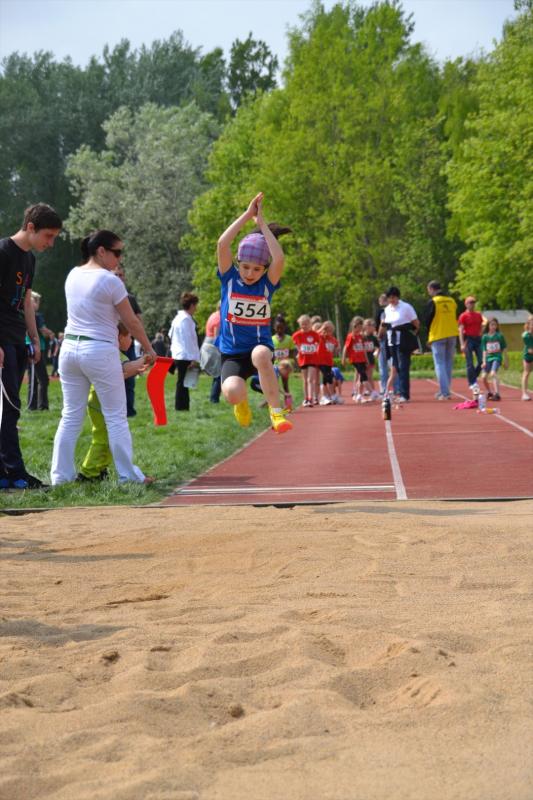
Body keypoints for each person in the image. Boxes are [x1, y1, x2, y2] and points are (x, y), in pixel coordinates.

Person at [51, 229, 156, 485]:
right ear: (101, 251)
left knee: (70, 416)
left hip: (69, 349)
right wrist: (149, 348)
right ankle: (128, 476)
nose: (119, 259)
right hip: (98, 350)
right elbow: (131, 321)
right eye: (117, 253)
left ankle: (60, 477)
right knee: (115, 417)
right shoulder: (111, 281)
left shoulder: (73, 274)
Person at [216, 192, 292, 434]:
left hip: (258, 347)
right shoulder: (229, 278)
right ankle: (241, 402)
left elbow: (279, 257)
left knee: (260, 354)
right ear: (238, 263)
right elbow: (222, 244)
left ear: (265, 269)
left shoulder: (267, 284)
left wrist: (261, 223)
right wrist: (247, 215)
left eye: (257, 269)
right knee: (232, 392)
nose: (250, 274)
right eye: (245, 267)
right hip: (232, 353)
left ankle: (276, 413)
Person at [0, 203, 62, 490]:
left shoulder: (29, 260)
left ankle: (7, 473)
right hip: (2, 340)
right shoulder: (3, 251)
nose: (50, 243)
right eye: (48, 236)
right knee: (8, 408)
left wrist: (34, 338)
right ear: (30, 227)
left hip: (17, 339)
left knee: (11, 408)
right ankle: (14, 473)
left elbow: (26, 301)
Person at [78, 323, 149, 481]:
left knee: (108, 438)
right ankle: (87, 473)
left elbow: (120, 373)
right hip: (100, 404)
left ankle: (100, 469)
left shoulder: (113, 353)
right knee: (102, 439)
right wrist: (145, 358)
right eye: (129, 337)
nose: (131, 341)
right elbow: (123, 370)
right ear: (119, 337)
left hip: (98, 402)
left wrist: (138, 367)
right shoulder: (113, 354)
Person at [379, 286, 420, 403]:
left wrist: (412, 338)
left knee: (403, 367)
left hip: (403, 341)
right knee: (395, 368)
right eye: (389, 298)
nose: (391, 300)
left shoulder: (406, 307)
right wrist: (380, 335)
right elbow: (384, 325)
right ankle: (397, 392)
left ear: (398, 297)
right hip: (391, 341)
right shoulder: (387, 309)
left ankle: (404, 395)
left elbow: (416, 323)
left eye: (393, 297)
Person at [114, 264, 143, 417]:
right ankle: (115, 411)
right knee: (113, 378)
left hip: (127, 343)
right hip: (112, 344)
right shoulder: (106, 298)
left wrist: (137, 339)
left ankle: (129, 410)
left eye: (121, 275)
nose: (119, 278)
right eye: (116, 275)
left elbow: (138, 320)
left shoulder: (130, 299)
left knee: (130, 378)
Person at [426, 280, 458, 400]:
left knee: (439, 364)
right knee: (448, 363)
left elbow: (427, 320)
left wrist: (429, 336)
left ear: (431, 289)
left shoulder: (433, 302)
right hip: (452, 334)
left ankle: (445, 393)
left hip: (438, 335)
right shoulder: (451, 301)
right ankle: (445, 390)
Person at [168, 292, 201, 411]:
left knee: (183, 382)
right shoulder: (186, 320)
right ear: (191, 305)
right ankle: (181, 407)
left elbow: (170, 334)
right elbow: (188, 341)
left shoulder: (177, 318)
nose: (196, 308)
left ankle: (183, 406)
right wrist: (193, 358)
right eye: (195, 305)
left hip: (178, 353)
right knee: (182, 382)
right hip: (184, 355)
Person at [26, 291, 54, 410]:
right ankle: (42, 405)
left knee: (33, 378)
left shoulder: (24, 315)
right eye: (37, 301)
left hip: (28, 347)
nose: (38, 304)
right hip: (37, 349)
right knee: (43, 379)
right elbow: (42, 329)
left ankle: (32, 406)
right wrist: (50, 333)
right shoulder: (37, 316)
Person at [342, 316, 375, 403]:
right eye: (359, 327)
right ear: (355, 326)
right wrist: (343, 358)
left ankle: (359, 395)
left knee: (361, 378)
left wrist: (367, 360)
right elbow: (345, 347)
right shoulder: (350, 336)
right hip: (355, 360)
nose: (361, 329)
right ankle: (372, 392)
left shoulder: (361, 337)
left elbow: (364, 350)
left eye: (361, 327)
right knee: (363, 376)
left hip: (362, 359)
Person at [292, 314, 320, 407]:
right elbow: (294, 345)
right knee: (304, 380)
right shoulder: (297, 335)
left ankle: (310, 398)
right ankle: (306, 398)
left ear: (310, 324)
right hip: (303, 359)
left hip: (312, 359)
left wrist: (315, 349)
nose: (304, 326)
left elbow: (318, 344)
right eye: (302, 324)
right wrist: (298, 351)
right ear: (300, 324)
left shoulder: (315, 334)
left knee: (310, 379)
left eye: (306, 324)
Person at [458, 296, 484, 389]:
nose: (472, 304)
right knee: (470, 362)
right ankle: (472, 382)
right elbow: (461, 330)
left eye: (473, 303)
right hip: (468, 339)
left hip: (477, 339)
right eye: (470, 303)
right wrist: (462, 344)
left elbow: (481, 325)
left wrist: (481, 335)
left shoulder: (478, 315)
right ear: (466, 304)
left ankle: (474, 377)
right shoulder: (463, 316)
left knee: (481, 361)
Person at [480, 318, 508, 401]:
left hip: (497, 358)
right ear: (488, 326)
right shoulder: (485, 337)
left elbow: (504, 348)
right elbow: (484, 350)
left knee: (493, 373)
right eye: (491, 325)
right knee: (483, 377)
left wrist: (506, 360)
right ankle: (489, 392)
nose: (493, 326)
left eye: (495, 325)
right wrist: (484, 361)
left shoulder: (499, 336)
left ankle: (497, 393)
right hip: (488, 359)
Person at [317, 320, 339, 404]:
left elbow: (336, 347)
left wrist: (337, 349)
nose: (329, 333)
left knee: (326, 379)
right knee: (327, 378)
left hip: (329, 362)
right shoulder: (321, 337)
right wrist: (322, 328)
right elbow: (315, 334)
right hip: (321, 361)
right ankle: (328, 396)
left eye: (331, 331)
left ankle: (327, 397)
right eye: (327, 330)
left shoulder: (333, 339)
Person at [204, 301, 222, 403]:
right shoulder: (218, 318)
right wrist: (219, 351)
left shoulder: (213, 315)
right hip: (213, 346)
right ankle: (214, 399)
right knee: (218, 374)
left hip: (207, 344)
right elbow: (216, 336)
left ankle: (214, 397)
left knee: (217, 374)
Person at [362, 318, 380, 396]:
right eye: (369, 325)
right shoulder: (362, 337)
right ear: (364, 326)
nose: (371, 327)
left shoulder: (373, 338)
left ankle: (372, 390)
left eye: (372, 325)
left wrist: (376, 353)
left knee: (369, 376)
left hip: (370, 358)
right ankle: (363, 390)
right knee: (362, 376)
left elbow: (378, 347)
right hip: (362, 359)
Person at [521, 315, 533, 401]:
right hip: (528, 356)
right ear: (528, 324)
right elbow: (530, 350)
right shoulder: (526, 335)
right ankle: (524, 393)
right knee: (526, 373)